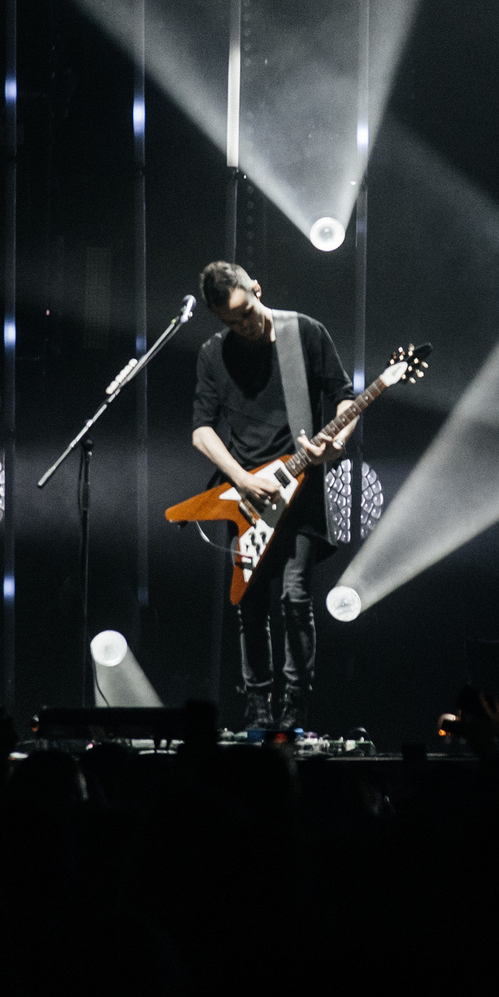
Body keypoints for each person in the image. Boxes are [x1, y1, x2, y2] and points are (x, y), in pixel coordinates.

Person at [189, 260, 356, 732]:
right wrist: (241, 478)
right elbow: (201, 432)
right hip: (248, 499)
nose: (243, 326)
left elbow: (344, 395)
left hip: (301, 493)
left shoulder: (304, 332)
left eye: (246, 311)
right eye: (231, 321)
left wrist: (337, 440)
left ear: (257, 288)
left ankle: (295, 708)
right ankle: (259, 708)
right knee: (251, 606)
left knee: (296, 598)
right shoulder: (213, 354)